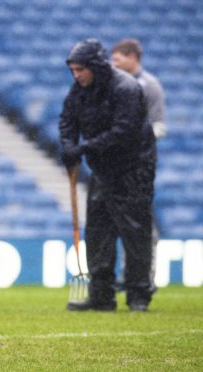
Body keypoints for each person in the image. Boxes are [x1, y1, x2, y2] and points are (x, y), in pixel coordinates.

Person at [59, 39, 156, 312]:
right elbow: (67, 118)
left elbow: (123, 131)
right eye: (73, 71)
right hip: (102, 169)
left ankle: (138, 296)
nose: (76, 76)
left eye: (81, 70)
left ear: (95, 67)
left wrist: (83, 147)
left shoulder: (126, 88)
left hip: (133, 168)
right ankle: (101, 296)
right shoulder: (79, 89)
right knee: (98, 231)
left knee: (134, 230)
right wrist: (68, 145)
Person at [111, 38, 166, 292]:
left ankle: (145, 278)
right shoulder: (114, 86)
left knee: (141, 223)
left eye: (117, 59)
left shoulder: (149, 86)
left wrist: (133, 141)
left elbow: (159, 126)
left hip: (140, 165)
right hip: (116, 165)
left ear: (133, 57)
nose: (114, 63)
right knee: (119, 222)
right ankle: (126, 276)